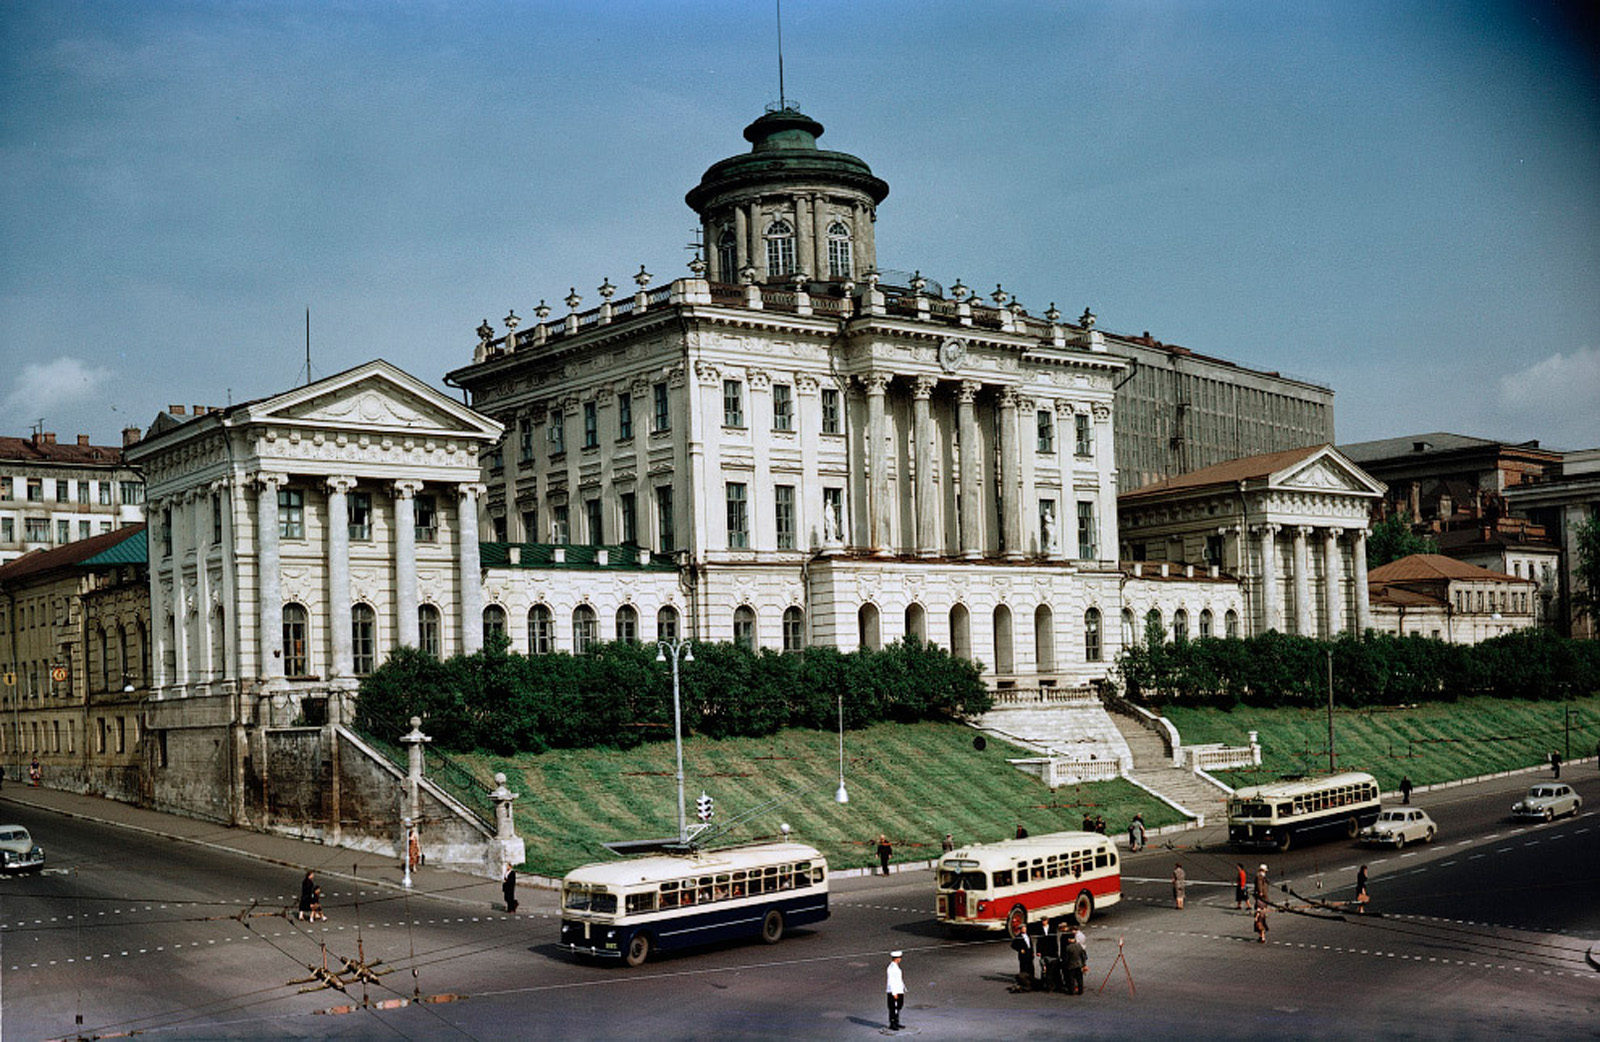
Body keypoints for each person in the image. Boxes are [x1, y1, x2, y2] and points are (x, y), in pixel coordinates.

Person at [1037, 917, 1063, 993]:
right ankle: (1045, 984)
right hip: (1044, 951)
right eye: (1042, 921)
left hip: (1052, 951)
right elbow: (1038, 941)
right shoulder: (1040, 929)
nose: (1043, 922)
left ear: (1047, 921)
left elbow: (1055, 941)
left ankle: (1057, 984)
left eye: (1044, 921)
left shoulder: (1052, 928)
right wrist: (1038, 951)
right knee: (1044, 969)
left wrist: (1056, 951)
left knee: (1054, 968)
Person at [1010, 927, 1036, 992]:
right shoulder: (1018, 937)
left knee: (1031, 967)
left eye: (1025, 928)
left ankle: (1032, 979)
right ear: (1020, 929)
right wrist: (1020, 949)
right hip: (1023, 955)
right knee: (1024, 967)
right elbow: (1013, 945)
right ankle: (1023, 980)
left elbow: (1031, 944)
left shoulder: (1028, 935)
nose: (1024, 930)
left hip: (1029, 953)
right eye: (1023, 929)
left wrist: (1032, 952)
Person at [1063, 929, 1088, 995]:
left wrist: (1065, 964)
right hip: (1079, 964)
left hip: (1071, 965)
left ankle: (1071, 990)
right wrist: (1084, 964)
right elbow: (1083, 956)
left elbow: (1067, 958)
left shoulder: (1068, 948)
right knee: (1079, 978)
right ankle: (1080, 990)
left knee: (1071, 979)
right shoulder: (1079, 946)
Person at [885, 950, 906, 1030]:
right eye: (899, 958)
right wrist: (894, 993)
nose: (900, 959)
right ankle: (892, 1023)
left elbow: (898, 979)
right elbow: (891, 981)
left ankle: (896, 1022)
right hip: (894, 991)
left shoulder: (896, 966)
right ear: (896, 958)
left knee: (899, 1006)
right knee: (893, 1007)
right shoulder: (891, 968)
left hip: (899, 990)